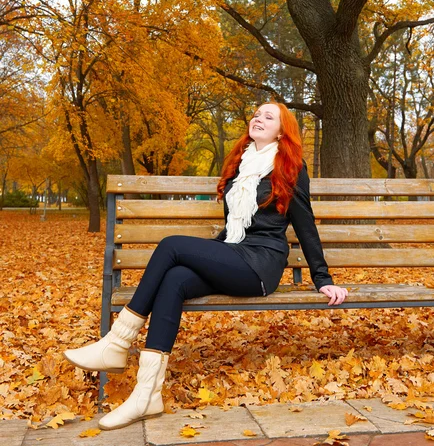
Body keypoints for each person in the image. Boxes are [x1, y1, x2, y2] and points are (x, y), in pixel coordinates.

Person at [64, 102, 348, 431]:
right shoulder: (241, 164)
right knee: (175, 280)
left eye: (268, 117)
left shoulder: (291, 168)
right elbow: (233, 228)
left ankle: (117, 342)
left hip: (260, 265)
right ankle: (147, 396)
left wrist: (322, 278)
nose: (258, 118)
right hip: (232, 254)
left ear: (282, 131)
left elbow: (306, 225)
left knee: (171, 245)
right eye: (256, 114)